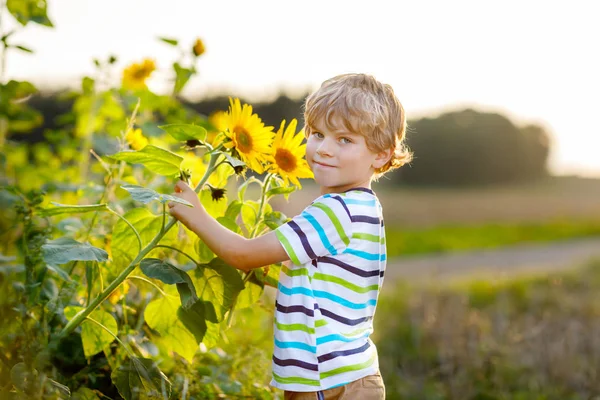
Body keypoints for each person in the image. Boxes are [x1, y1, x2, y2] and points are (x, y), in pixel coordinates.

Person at [168, 73, 412, 399]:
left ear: (381, 154)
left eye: (344, 140)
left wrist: (196, 215)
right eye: (317, 133)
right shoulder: (364, 207)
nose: (323, 149)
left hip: (325, 381)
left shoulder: (335, 212)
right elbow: (319, 277)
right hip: (348, 376)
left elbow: (244, 254)